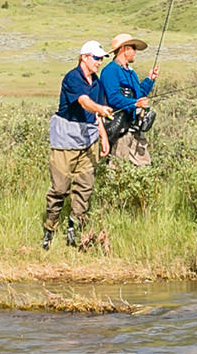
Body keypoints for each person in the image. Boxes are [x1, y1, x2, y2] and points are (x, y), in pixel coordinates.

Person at [43, 40, 113, 250]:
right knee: (60, 188)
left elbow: (95, 114)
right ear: (84, 57)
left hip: (88, 139)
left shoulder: (97, 83)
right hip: (65, 140)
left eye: (101, 59)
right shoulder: (72, 78)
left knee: (84, 186)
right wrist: (100, 109)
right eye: (96, 58)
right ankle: (49, 230)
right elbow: (84, 102)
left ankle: (74, 227)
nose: (99, 62)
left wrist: (103, 136)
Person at [99, 33, 159, 166]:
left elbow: (139, 95)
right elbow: (113, 99)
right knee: (117, 169)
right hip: (119, 129)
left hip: (133, 128)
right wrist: (135, 104)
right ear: (124, 49)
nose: (135, 52)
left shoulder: (130, 72)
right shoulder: (110, 71)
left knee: (144, 167)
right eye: (133, 47)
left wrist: (150, 80)